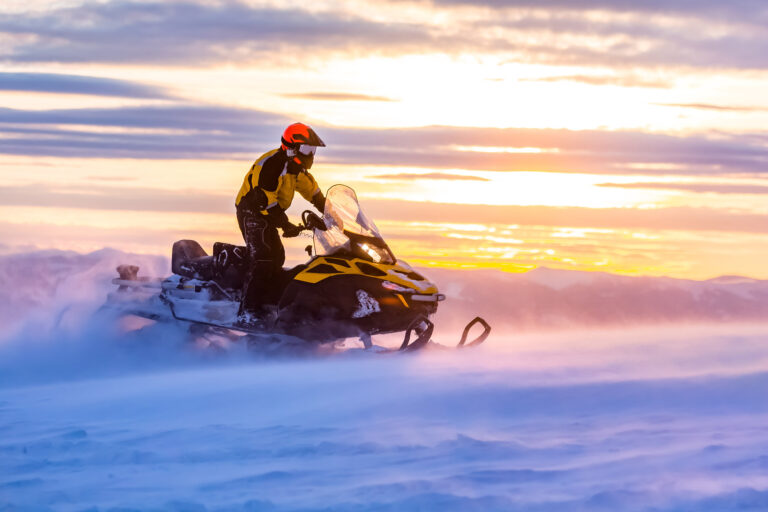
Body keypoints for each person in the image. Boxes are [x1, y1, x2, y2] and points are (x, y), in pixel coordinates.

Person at [234, 122, 326, 321]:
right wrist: (286, 225)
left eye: (312, 150)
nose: (310, 155)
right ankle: (247, 312)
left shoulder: (296, 169)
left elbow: (314, 193)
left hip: (268, 212)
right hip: (252, 211)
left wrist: (332, 213)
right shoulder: (273, 165)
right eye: (306, 149)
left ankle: (269, 303)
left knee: (278, 257)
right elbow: (266, 201)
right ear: (291, 148)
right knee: (264, 258)